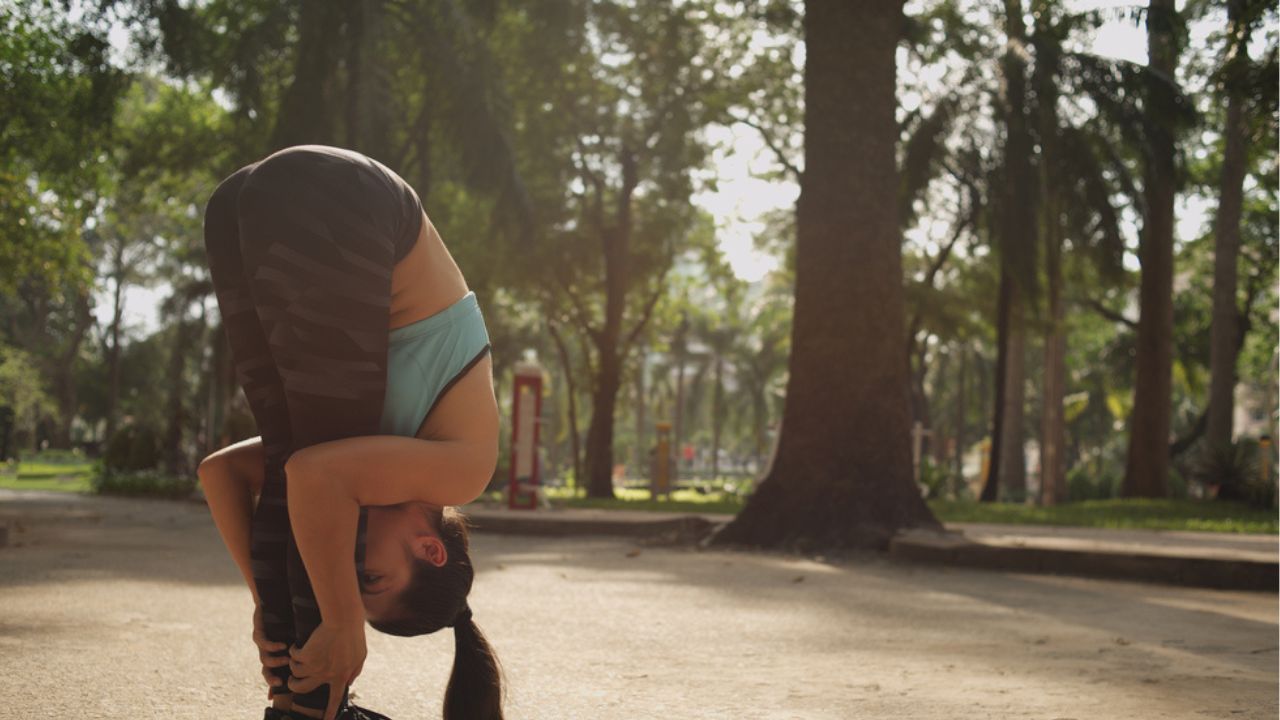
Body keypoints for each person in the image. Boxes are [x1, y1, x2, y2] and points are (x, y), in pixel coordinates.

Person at [197, 144, 504, 720]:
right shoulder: (464, 470)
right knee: (309, 489)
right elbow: (314, 477)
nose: (344, 571)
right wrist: (340, 621)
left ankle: (294, 706)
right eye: (371, 577)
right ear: (430, 548)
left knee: (295, 474)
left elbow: (223, 472)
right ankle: (312, 711)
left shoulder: (374, 456)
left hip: (238, 205)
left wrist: (267, 602)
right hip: (350, 200)